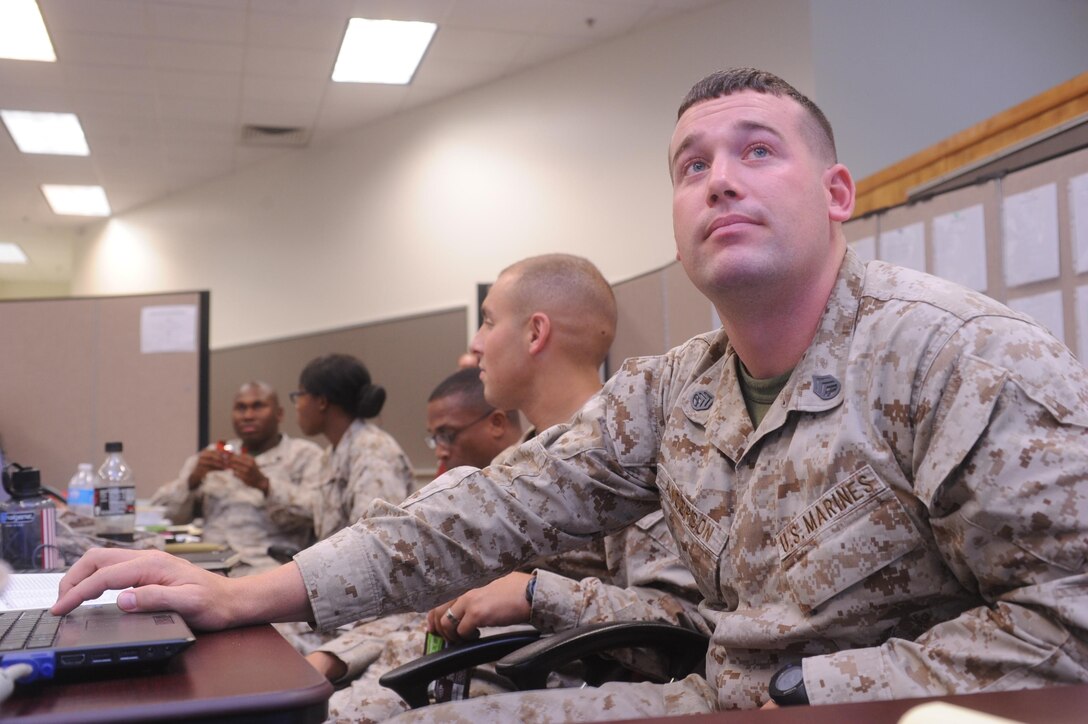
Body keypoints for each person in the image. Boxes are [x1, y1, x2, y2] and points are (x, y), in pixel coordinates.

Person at [54, 68, 1088, 721]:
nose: (719, 179)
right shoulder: (673, 391)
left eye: (756, 151)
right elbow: (488, 507)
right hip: (715, 695)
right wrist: (250, 595)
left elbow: (1068, 624)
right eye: (691, 165)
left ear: (836, 193)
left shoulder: (960, 358)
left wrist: (805, 686)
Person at [310, 255, 706, 721]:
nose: (475, 344)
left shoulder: (628, 456)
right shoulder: (517, 462)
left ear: (535, 333)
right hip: (466, 667)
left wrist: (536, 595)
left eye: (488, 322)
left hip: (553, 685)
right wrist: (336, 657)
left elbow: (681, 632)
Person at [306, 367, 524, 720]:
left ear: (497, 423)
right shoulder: (476, 496)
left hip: (491, 663)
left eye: (447, 435)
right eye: (434, 438)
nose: (439, 452)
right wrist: (335, 657)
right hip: (418, 650)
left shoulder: (542, 485)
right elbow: (419, 603)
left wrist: (534, 593)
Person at [150, 381, 322, 574]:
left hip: (269, 567)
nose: (248, 416)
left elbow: (317, 514)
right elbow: (162, 515)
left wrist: (264, 485)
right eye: (241, 408)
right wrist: (192, 481)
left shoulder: (305, 455)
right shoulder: (213, 455)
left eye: (258, 406)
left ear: (279, 414)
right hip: (209, 565)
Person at [291, 353, 414, 541]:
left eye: (299, 395)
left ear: (322, 402)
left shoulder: (374, 452)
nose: (297, 406)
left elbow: (376, 538)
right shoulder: (330, 454)